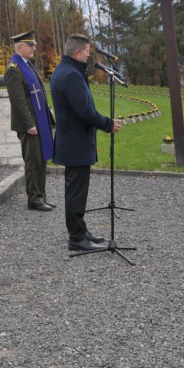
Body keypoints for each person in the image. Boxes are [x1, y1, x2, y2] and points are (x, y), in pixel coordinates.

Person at [49, 33, 121, 251]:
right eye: (88, 51)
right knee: (76, 192)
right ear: (78, 52)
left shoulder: (67, 71)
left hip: (73, 141)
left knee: (77, 190)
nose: (90, 55)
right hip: (75, 142)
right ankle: (77, 238)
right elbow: (84, 112)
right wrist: (108, 124)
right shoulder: (70, 75)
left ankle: (81, 231)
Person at [4, 30, 55, 211]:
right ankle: (34, 199)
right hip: (30, 125)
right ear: (19, 47)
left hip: (39, 121)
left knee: (41, 160)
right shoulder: (13, 69)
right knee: (33, 162)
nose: (34, 48)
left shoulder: (28, 65)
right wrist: (29, 125)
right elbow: (18, 101)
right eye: (30, 45)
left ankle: (41, 196)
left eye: (33, 44)